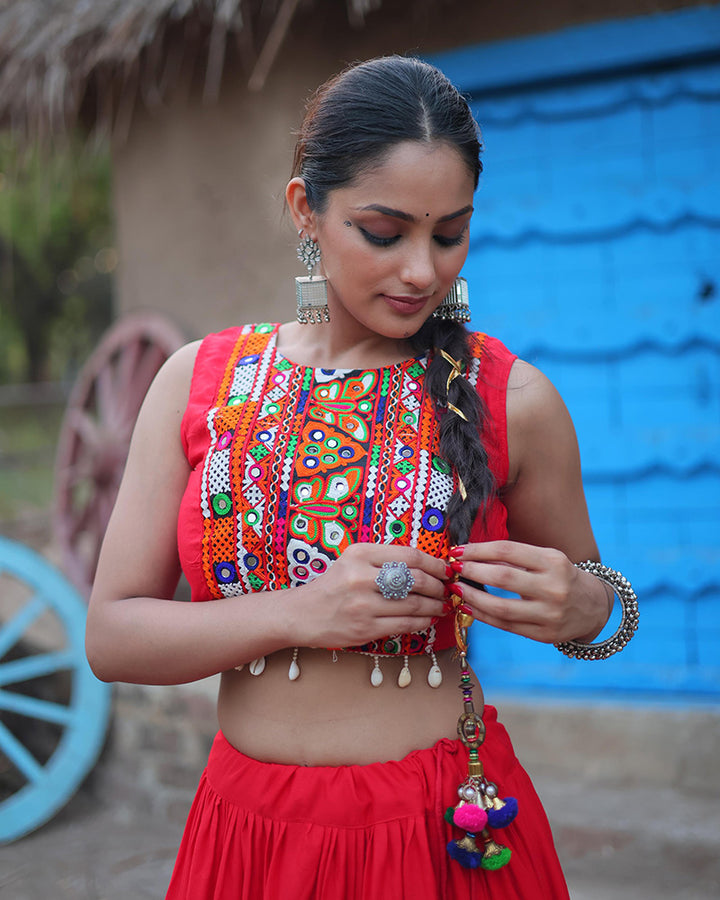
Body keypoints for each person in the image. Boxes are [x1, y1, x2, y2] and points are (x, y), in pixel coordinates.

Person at [85, 55, 637, 899]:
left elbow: (597, 607)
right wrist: (304, 612)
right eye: (385, 232)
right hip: (247, 832)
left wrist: (589, 604)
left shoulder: (510, 398)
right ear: (306, 208)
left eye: (449, 233)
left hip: (435, 831)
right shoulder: (199, 380)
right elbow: (112, 636)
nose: (423, 269)